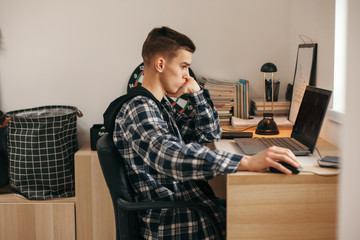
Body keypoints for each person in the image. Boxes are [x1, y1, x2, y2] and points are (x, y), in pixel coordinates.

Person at [104, 26, 300, 240]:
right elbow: (172, 157)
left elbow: (209, 134)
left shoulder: (159, 107)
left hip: (191, 209)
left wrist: (196, 93)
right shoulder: (139, 108)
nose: (186, 75)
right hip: (179, 221)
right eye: (183, 66)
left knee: (268, 215)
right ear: (160, 64)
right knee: (275, 223)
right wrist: (245, 162)